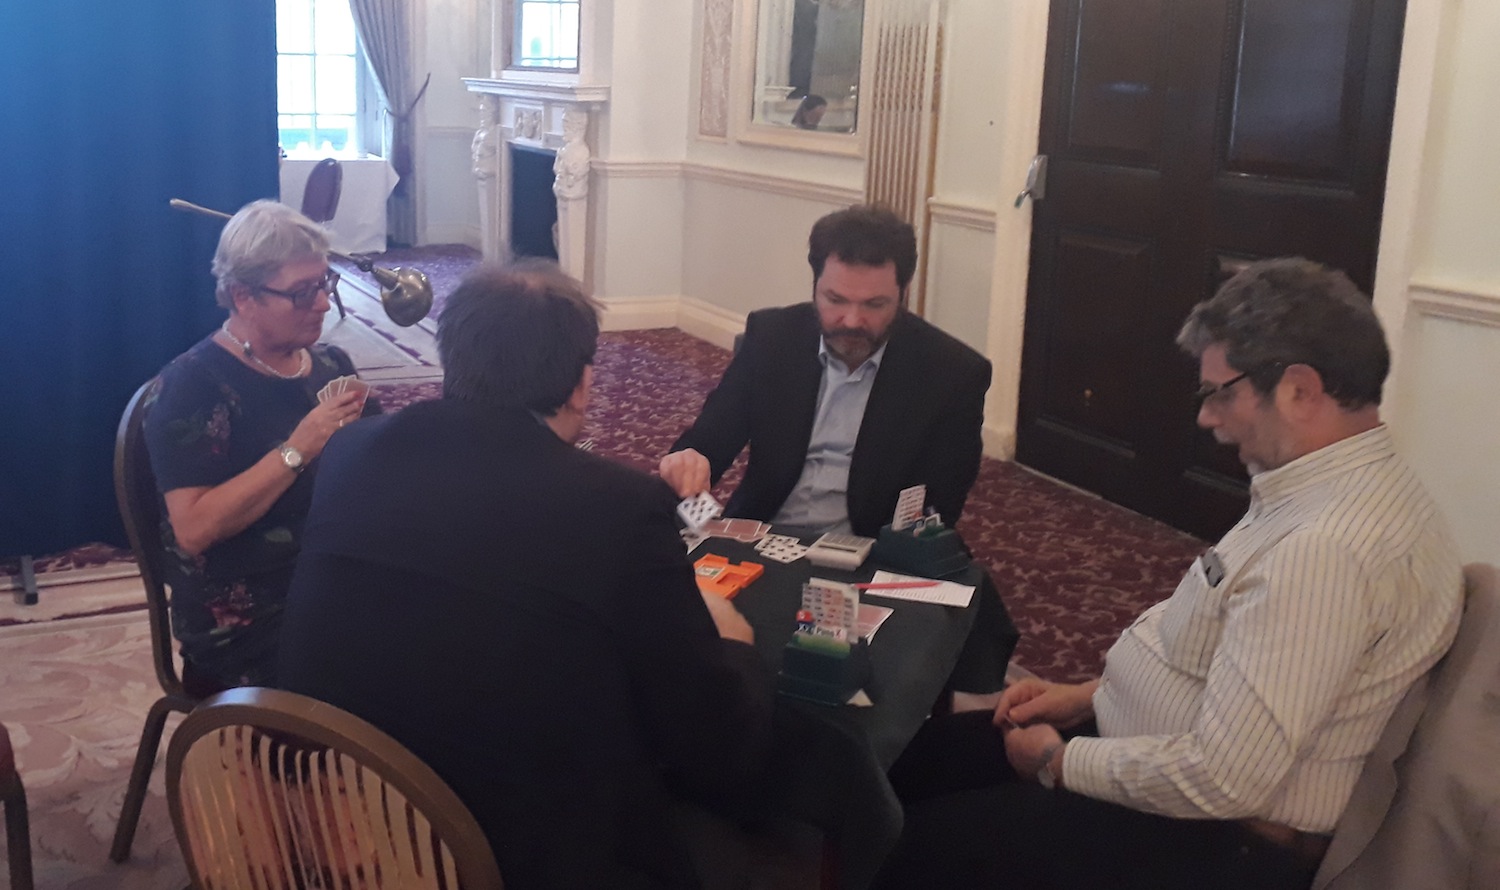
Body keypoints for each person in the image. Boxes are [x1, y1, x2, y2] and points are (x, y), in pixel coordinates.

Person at [873, 258, 1465, 890]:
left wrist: (1056, 763)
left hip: (1216, 837)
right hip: (1148, 753)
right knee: (900, 769)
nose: (1208, 418)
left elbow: (1227, 779)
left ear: (1299, 390)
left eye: (1221, 393)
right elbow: (1217, 662)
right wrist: (1091, 695)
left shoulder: (1326, 550)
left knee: (911, 846)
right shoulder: (1326, 489)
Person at [277, 260, 774, 889]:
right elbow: (714, 745)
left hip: (350, 822)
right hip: (513, 856)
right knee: (746, 843)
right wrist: (735, 643)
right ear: (582, 385)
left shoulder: (350, 450)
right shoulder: (619, 506)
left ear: (453, 359)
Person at [144, 199, 376, 692]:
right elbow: (194, 529)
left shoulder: (332, 366)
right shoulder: (192, 386)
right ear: (242, 296)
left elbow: (382, 471)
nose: (322, 303)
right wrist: (298, 449)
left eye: (325, 283)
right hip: (248, 622)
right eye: (301, 292)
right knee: (402, 678)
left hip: (333, 586)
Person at [659, 204, 992, 537]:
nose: (852, 321)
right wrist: (687, 463)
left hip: (873, 547)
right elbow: (708, 441)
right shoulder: (772, 339)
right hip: (761, 532)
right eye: (836, 300)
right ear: (815, 285)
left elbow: (939, 505)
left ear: (903, 294)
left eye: (874, 304)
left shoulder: (952, 374)